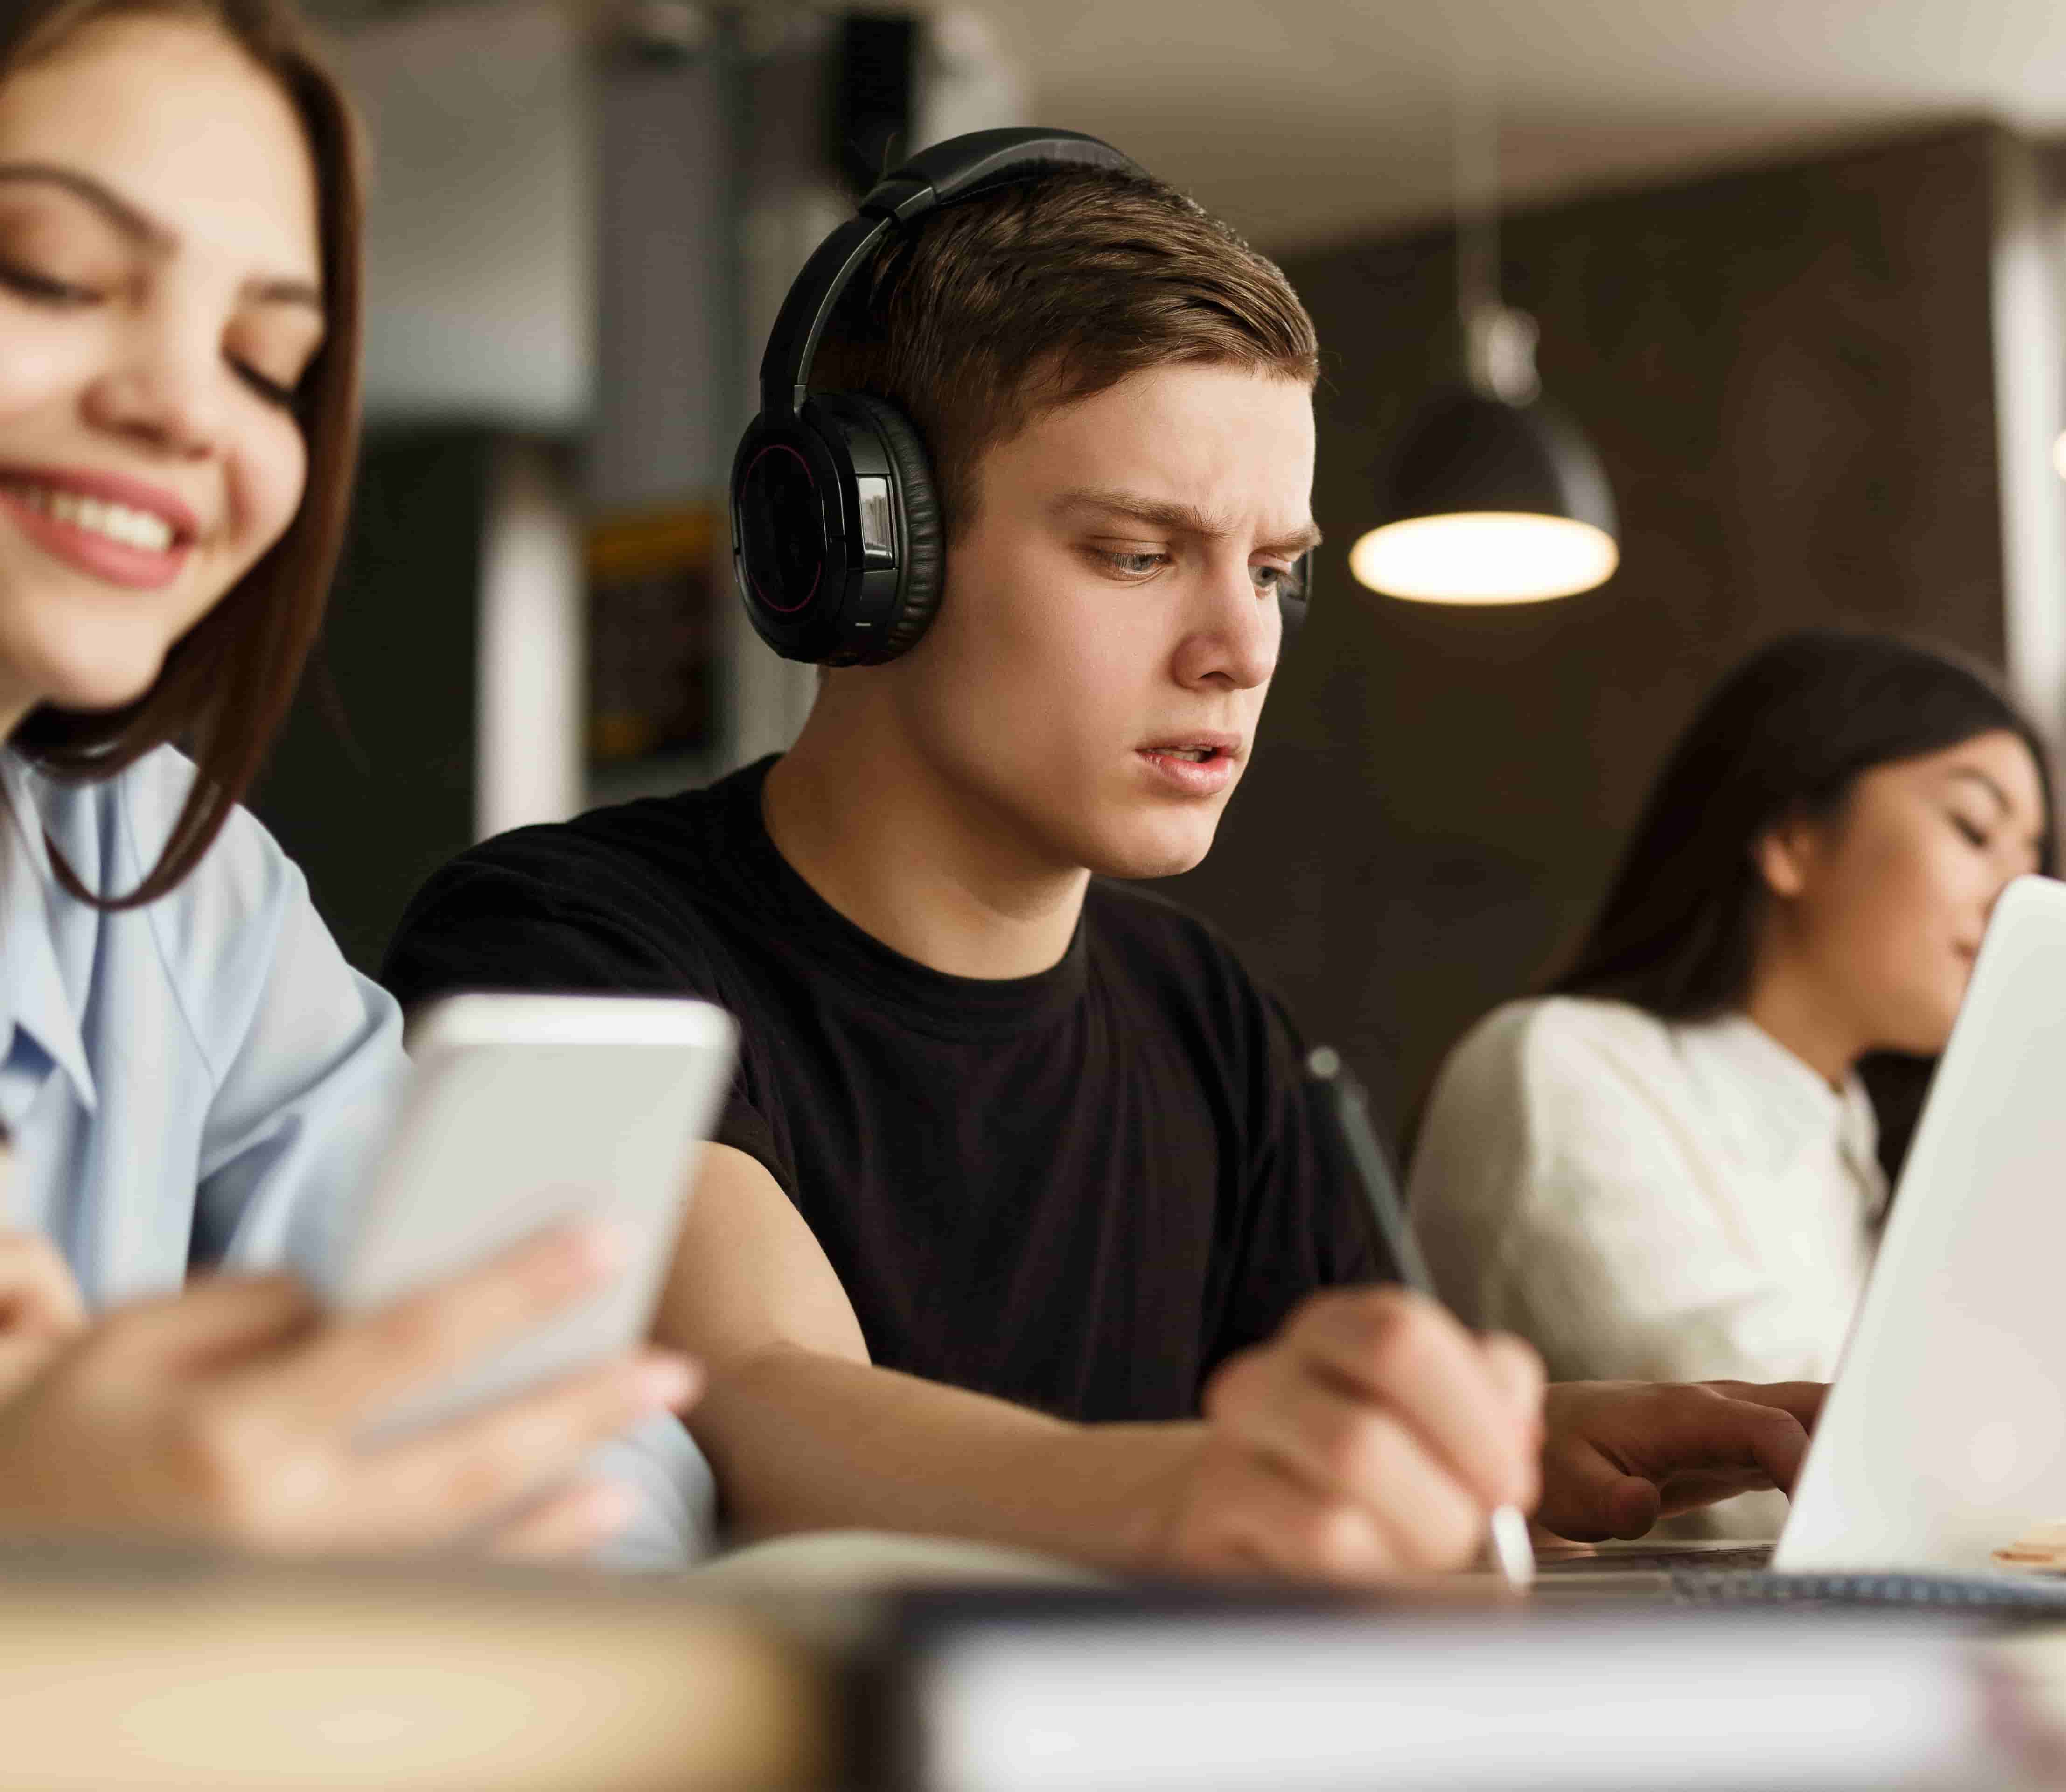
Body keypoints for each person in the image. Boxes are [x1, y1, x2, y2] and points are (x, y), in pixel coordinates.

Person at [382, 147, 1828, 1585]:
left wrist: (1515, 1447)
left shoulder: (1201, 1013)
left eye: (1271, 570)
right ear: (870, 549)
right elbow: (761, 1392)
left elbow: (1287, 1446)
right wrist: (1207, 1490)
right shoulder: (567, 948)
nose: (1243, 647)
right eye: (1140, 555)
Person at [0, 0, 699, 1557]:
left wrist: (386, 1494)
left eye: (267, 361)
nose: (186, 408)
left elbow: (604, 1444)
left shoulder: (173, 884)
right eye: (46, 272)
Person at [1405, 630, 2047, 1530]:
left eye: (2030, 854)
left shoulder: (1854, 1133)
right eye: (1977, 830)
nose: (2019, 893)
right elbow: (1779, 1490)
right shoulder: (1561, 1066)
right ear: (1790, 836)